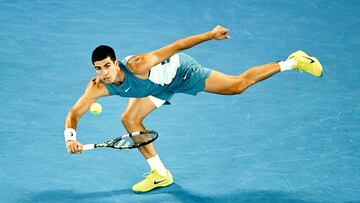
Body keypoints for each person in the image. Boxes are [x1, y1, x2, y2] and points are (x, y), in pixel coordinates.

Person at [64, 25, 323, 193]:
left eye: (107, 66)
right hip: (156, 87)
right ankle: (160, 174)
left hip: (181, 72)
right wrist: (71, 138)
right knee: (130, 119)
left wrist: (210, 35)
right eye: (98, 68)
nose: (103, 73)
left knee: (237, 86)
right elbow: (74, 113)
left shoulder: (139, 64)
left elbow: (176, 46)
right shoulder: (97, 86)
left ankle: (293, 61)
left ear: (116, 62)